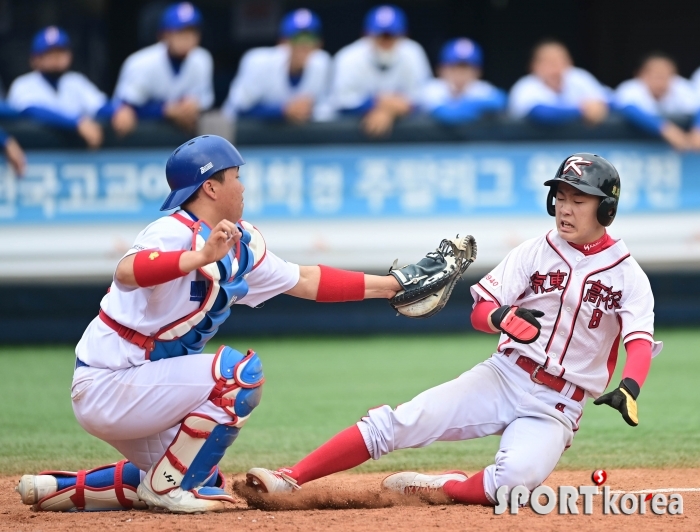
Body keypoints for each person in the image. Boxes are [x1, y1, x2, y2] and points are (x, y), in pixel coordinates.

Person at [243, 153, 662, 509]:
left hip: (557, 404)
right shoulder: (535, 251)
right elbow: (480, 309)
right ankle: (290, 477)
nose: (565, 208)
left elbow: (638, 340)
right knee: (401, 421)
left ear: (606, 209)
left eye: (580, 200)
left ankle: (441, 486)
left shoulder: (628, 275)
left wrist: (630, 385)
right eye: (561, 197)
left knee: (512, 485)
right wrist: (498, 319)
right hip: (505, 375)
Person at [14, 134, 407, 514]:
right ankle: (165, 488)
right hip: (109, 381)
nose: (242, 185)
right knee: (238, 375)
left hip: (140, 385)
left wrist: (390, 287)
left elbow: (306, 280)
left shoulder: (238, 243)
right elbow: (128, 270)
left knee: (202, 475)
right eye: (235, 176)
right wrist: (198, 257)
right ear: (211, 188)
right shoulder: (172, 230)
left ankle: (60, 490)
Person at [7, 26, 136, 148]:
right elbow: (31, 110)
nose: (56, 58)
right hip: (33, 156)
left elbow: (98, 105)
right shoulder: (22, 84)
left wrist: (117, 111)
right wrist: (76, 123)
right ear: (35, 59)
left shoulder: (76, 82)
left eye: (61, 52)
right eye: (49, 53)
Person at [331, 4, 431, 136]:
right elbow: (341, 104)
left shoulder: (413, 53)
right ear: (366, 35)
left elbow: (424, 100)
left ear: (404, 35)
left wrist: (389, 111)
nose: (385, 40)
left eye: (391, 35)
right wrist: (378, 104)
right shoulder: (348, 58)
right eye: (381, 35)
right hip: (348, 136)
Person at [113, 2, 213, 131]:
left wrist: (191, 107)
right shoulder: (141, 63)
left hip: (182, 134)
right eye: (180, 32)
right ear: (164, 35)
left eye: (192, 32)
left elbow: (204, 102)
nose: (188, 38)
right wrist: (164, 110)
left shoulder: (202, 59)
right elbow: (123, 110)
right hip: (141, 139)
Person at [222, 8, 332, 123]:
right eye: (297, 38)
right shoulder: (258, 62)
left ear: (319, 44)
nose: (303, 45)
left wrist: (309, 110)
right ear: (282, 42)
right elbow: (239, 109)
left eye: (310, 39)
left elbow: (328, 109)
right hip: (242, 135)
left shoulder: (322, 63)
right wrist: (283, 110)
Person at [509, 40, 609, 126]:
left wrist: (601, 104)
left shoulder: (579, 78)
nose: (555, 67)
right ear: (534, 66)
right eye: (549, 62)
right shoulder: (525, 86)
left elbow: (613, 100)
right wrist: (582, 110)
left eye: (560, 61)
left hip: (577, 141)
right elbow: (541, 114)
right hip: (534, 143)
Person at [613, 52, 699, 151]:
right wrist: (666, 129)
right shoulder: (630, 88)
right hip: (634, 147)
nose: (660, 82)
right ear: (641, 75)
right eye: (656, 76)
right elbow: (628, 109)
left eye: (665, 76)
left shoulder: (680, 87)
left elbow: (698, 106)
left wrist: (698, 129)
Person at [421, 38, 506, 124]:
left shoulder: (479, 88)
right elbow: (447, 115)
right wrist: (474, 107)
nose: (460, 74)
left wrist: (464, 106)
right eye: (453, 67)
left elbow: (500, 101)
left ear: (478, 72)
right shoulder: (433, 89)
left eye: (465, 68)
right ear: (441, 69)